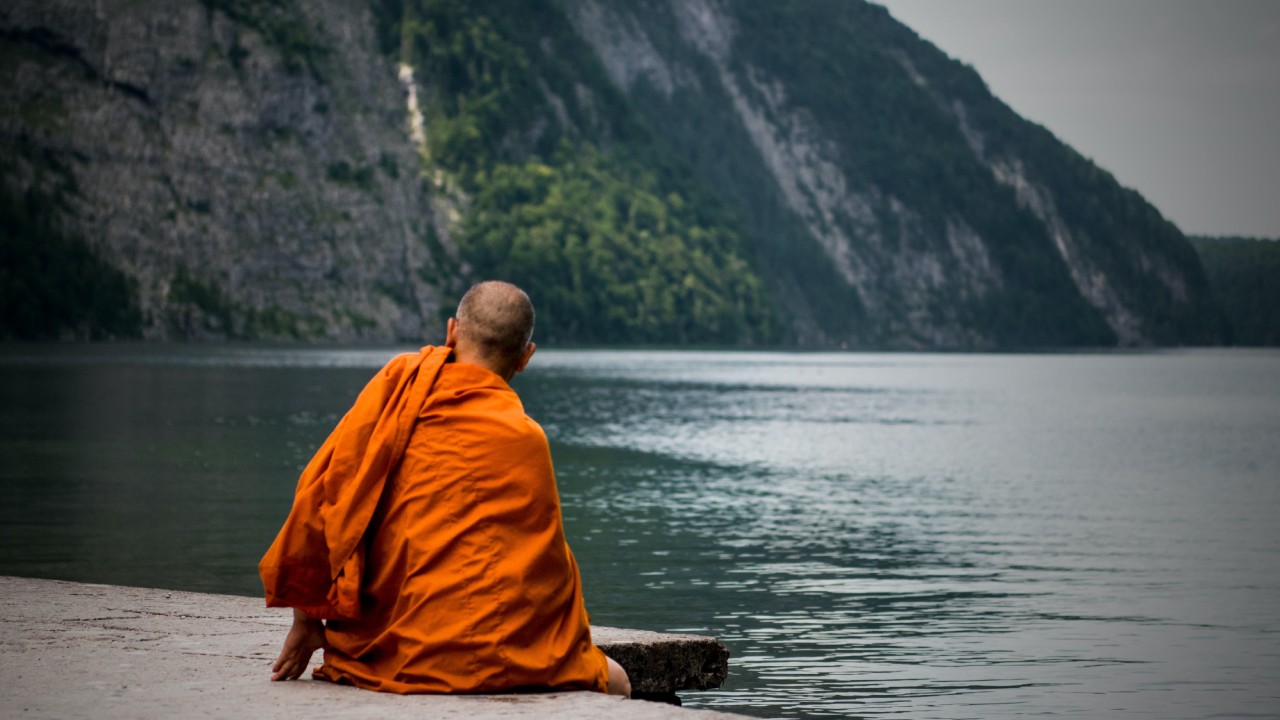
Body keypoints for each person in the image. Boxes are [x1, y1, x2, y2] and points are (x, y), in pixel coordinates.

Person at [259, 280, 631, 697]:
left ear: (452, 331)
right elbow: (546, 574)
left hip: (391, 650)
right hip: (508, 658)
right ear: (526, 358)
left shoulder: (397, 393)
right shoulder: (527, 440)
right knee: (616, 682)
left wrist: (307, 622)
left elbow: (323, 494)